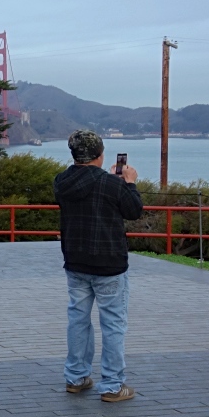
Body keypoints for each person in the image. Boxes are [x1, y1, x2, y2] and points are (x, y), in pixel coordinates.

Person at [53, 130, 143, 402]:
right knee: (113, 323)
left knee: (78, 320)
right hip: (109, 263)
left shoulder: (61, 181)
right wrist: (129, 183)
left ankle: (76, 377)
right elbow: (134, 211)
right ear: (100, 155)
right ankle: (113, 385)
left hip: (75, 261)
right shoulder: (111, 184)